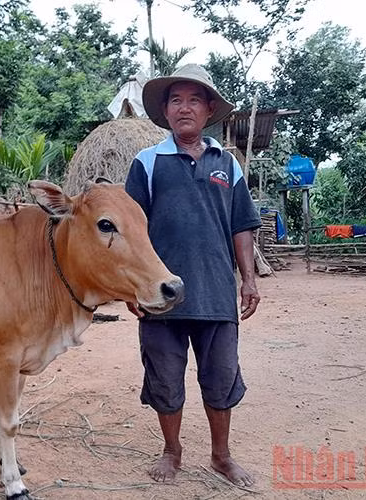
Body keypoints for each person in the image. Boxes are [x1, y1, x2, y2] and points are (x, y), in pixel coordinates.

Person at [124, 64, 261, 487]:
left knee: (220, 378)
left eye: (194, 100)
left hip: (217, 291)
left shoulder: (229, 165)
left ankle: (221, 456)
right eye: (176, 100)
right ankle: (172, 450)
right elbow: (131, 228)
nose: (185, 108)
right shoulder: (146, 163)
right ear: (165, 111)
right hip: (160, 294)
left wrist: (249, 279)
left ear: (209, 110)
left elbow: (241, 225)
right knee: (164, 377)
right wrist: (132, 282)